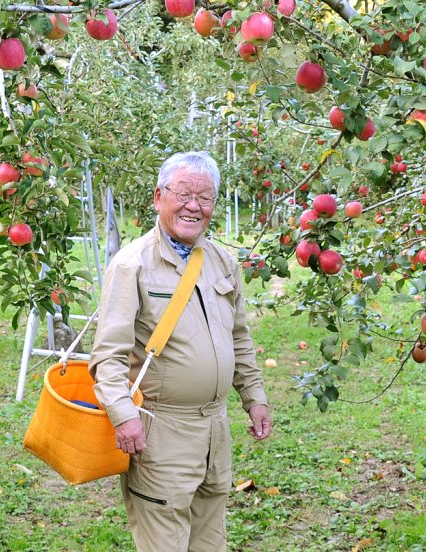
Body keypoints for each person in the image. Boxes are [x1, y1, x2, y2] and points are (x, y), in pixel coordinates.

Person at [89, 151, 271, 551]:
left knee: (210, 541)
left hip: (214, 429)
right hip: (161, 430)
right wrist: (123, 416)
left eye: (205, 197)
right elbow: (108, 356)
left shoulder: (223, 262)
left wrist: (254, 397)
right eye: (183, 193)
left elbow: (239, 337)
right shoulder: (132, 265)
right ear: (158, 197)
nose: (194, 206)